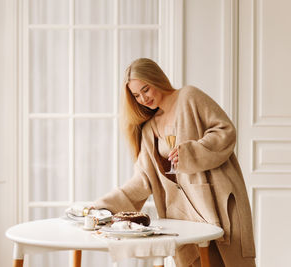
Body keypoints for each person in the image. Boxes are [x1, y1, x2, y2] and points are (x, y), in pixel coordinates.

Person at [92, 58, 256, 266]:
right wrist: (102, 207)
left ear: (156, 79)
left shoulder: (189, 97)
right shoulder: (149, 129)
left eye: (146, 89)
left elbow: (225, 131)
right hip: (184, 217)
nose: (143, 98)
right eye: (136, 95)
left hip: (218, 202)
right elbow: (142, 181)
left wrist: (192, 153)